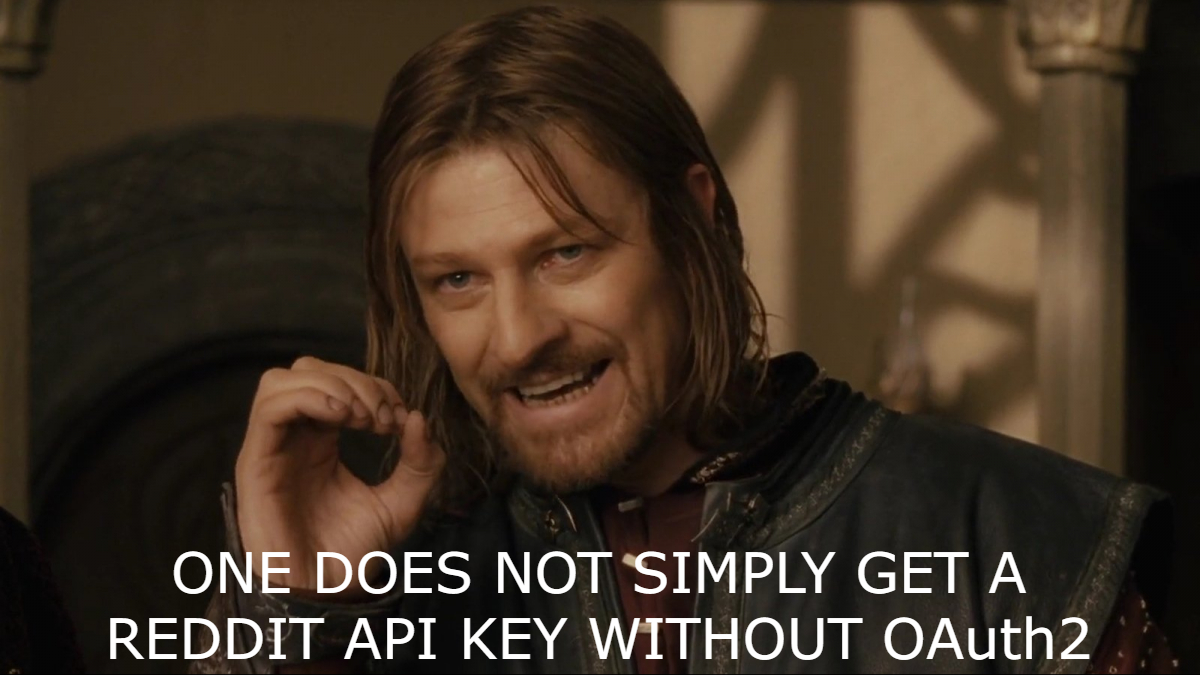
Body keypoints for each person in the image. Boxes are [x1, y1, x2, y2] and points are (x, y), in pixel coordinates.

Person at [191, 5, 1176, 673]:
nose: (518, 338)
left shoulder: (1002, 535)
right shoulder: (395, 599)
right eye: (458, 280)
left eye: (565, 253)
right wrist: (286, 611)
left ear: (691, 217)